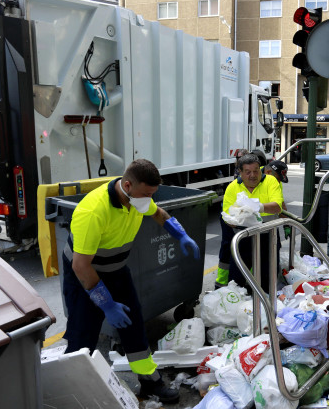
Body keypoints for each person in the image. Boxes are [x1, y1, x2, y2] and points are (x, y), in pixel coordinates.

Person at [61, 159, 199, 403]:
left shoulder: (138, 198)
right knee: (83, 335)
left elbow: (158, 213)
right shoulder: (93, 211)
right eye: (147, 194)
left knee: (134, 325)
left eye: (152, 194)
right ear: (127, 185)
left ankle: (149, 381)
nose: (150, 199)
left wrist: (181, 235)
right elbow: (81, 266)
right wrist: (106, 304)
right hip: (85, 275)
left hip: (116, 270)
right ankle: (75, 393)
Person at [218, 154, 283, 290]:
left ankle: (266, 307)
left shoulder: (270, 181)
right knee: (236, 280)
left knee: (267, 279)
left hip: (268, 237)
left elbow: (278, 206)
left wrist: (258, 207)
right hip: (243, 238)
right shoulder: (232, 187)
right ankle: (239, 307)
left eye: (256, 171)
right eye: (247, 172)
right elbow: (227, 216)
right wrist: (237, 219)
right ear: (240, 172)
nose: (252, 175)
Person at [263, 159, 292, 241]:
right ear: (268, 172)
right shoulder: (254, 177)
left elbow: (281, 204)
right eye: (278, 178)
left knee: (275, 248)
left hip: (269, 225)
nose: (278, 182)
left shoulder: (276, 182)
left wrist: (286, 225)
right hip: (249, 225)